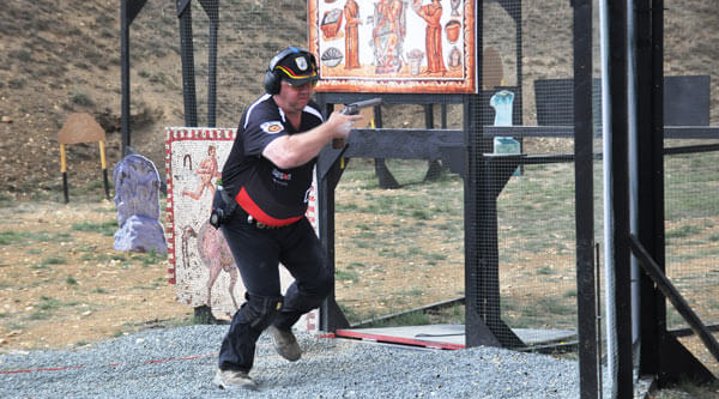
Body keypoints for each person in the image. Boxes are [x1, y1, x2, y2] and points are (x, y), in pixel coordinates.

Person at [211, 47, 362, 391]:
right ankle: (230, 368)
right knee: (263, 300)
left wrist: (339, 131)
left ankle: (284, 322)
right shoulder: (259, 113)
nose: (305, 90)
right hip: (246, 220)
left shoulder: (310, 115)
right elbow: (286, 155)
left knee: (319, 280)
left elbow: (325, 143)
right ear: (275, 84)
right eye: (296, 84)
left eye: (310, 83)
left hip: (289, 219)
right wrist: (329, 129)